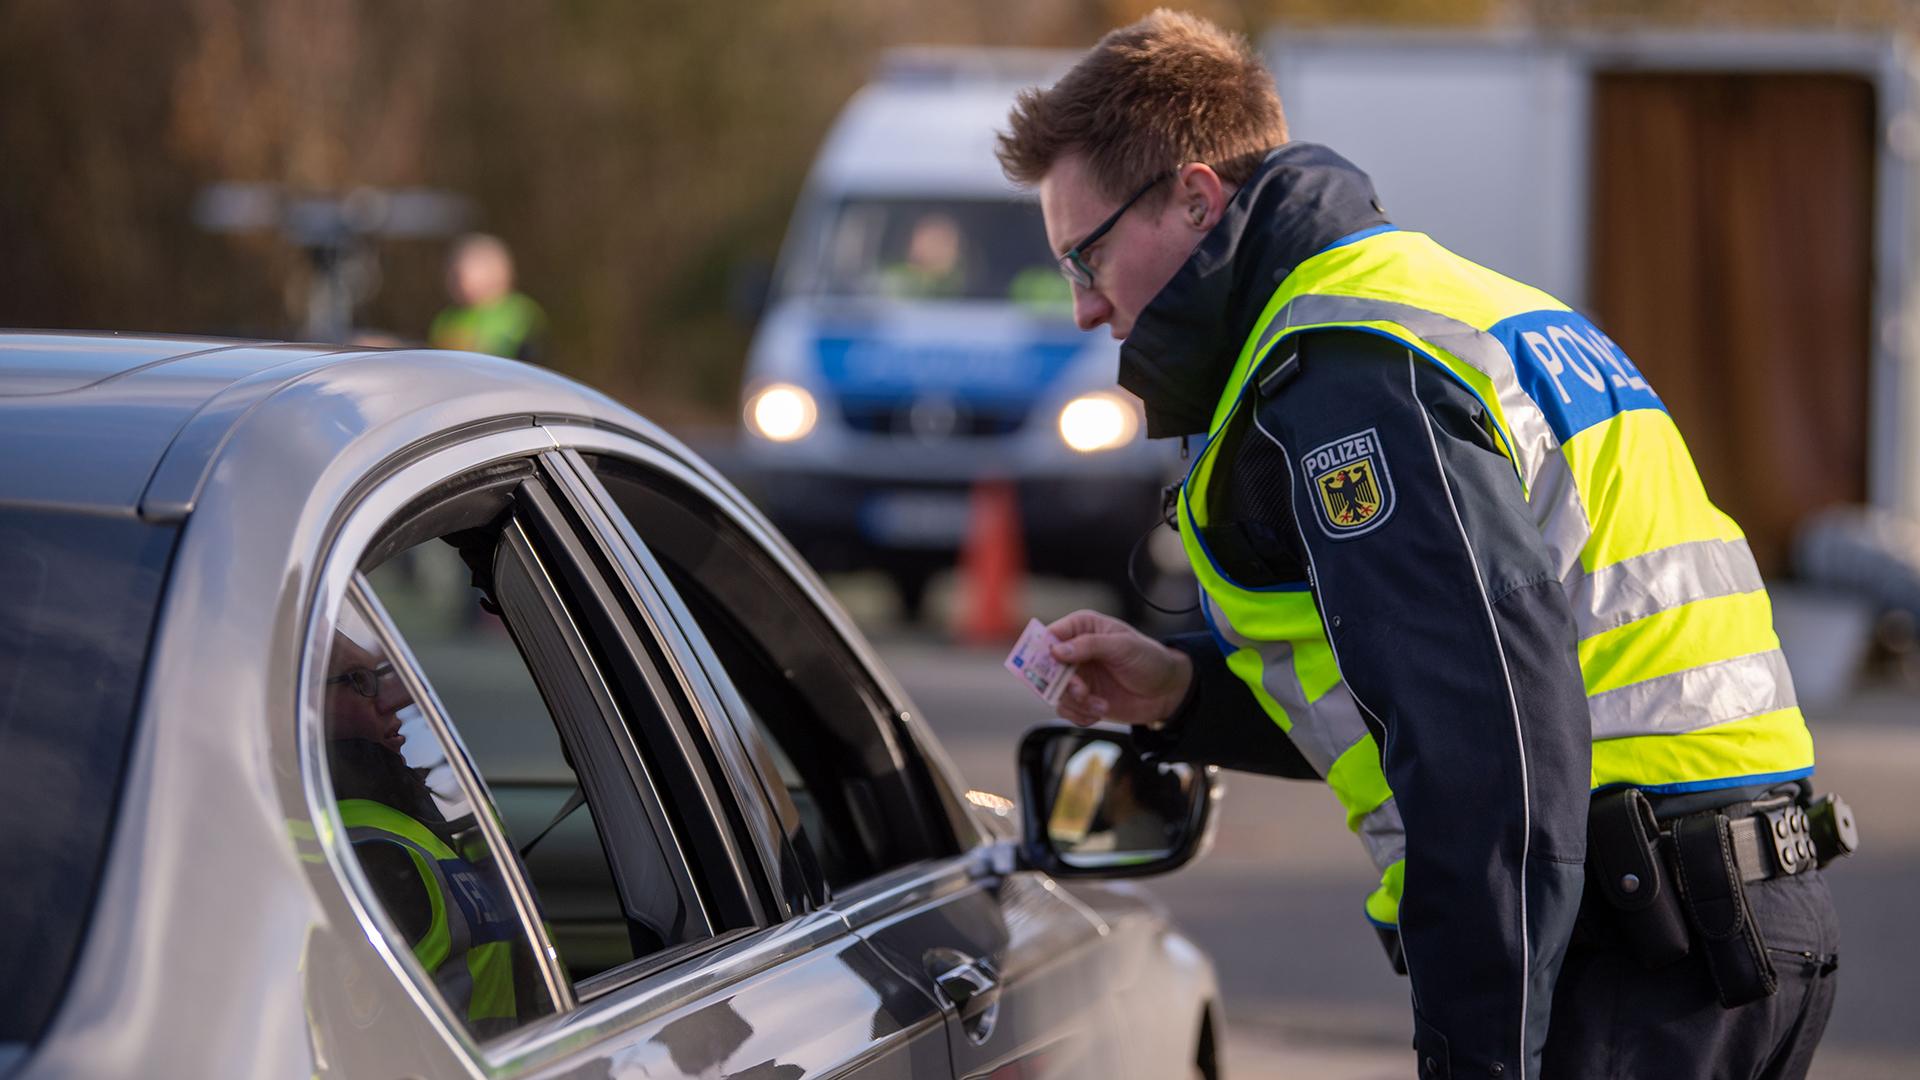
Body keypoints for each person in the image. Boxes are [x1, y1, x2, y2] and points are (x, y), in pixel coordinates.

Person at [996, 11, 1841, 1080]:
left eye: (1088, 253)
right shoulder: (1462, 307)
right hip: (1724, 931)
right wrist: (1176, 694)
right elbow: (1447, 683)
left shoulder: (1353, 365)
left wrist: (1481, 1058)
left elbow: (1485, 746)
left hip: (1629, 955)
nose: (1081, 306)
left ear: (1197, 198)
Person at [324, 631, 533, 1034]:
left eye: (379, 678)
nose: (392, 702)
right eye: (359, 682)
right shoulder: (374, 859)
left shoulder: (397, 822)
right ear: (298, 705)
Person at [428, 233, 548, 364]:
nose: (455, 281)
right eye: (452, 273)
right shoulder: (447, 319)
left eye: (461, 274)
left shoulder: (520, 313)